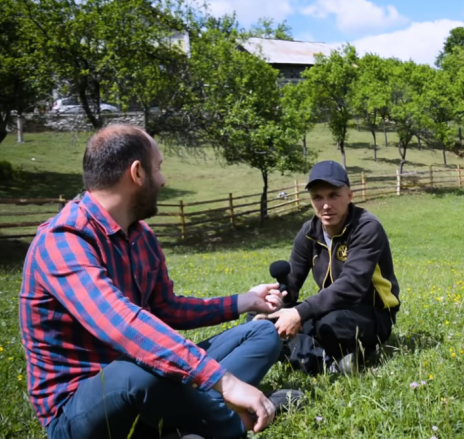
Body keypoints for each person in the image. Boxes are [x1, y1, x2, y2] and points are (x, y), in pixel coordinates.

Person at [18, 125, 301, 439]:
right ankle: (233, 422)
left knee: (262, 332)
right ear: (137, 173)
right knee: (133, 375)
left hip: (150, 372)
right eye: (159, 168)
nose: (164, 180)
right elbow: (122, 325)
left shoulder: (141, 235)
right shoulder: (62, 241)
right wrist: (225, 381)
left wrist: (244, 301)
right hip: (82, 409)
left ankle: (187, 423)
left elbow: (166, 309)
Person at [255, 160, 401, 375]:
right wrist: (277, 303)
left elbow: (352, 285)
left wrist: (299, 313)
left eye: (334, 195)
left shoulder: (367, 227)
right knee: (259, 319)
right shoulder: (309, 231)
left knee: (329, 324)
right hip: (329, 307)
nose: (325, 204)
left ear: (349, 196)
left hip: (372, 313)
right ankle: (333, 360)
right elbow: (292, 281)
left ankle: (304, 355)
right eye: (318, 197)